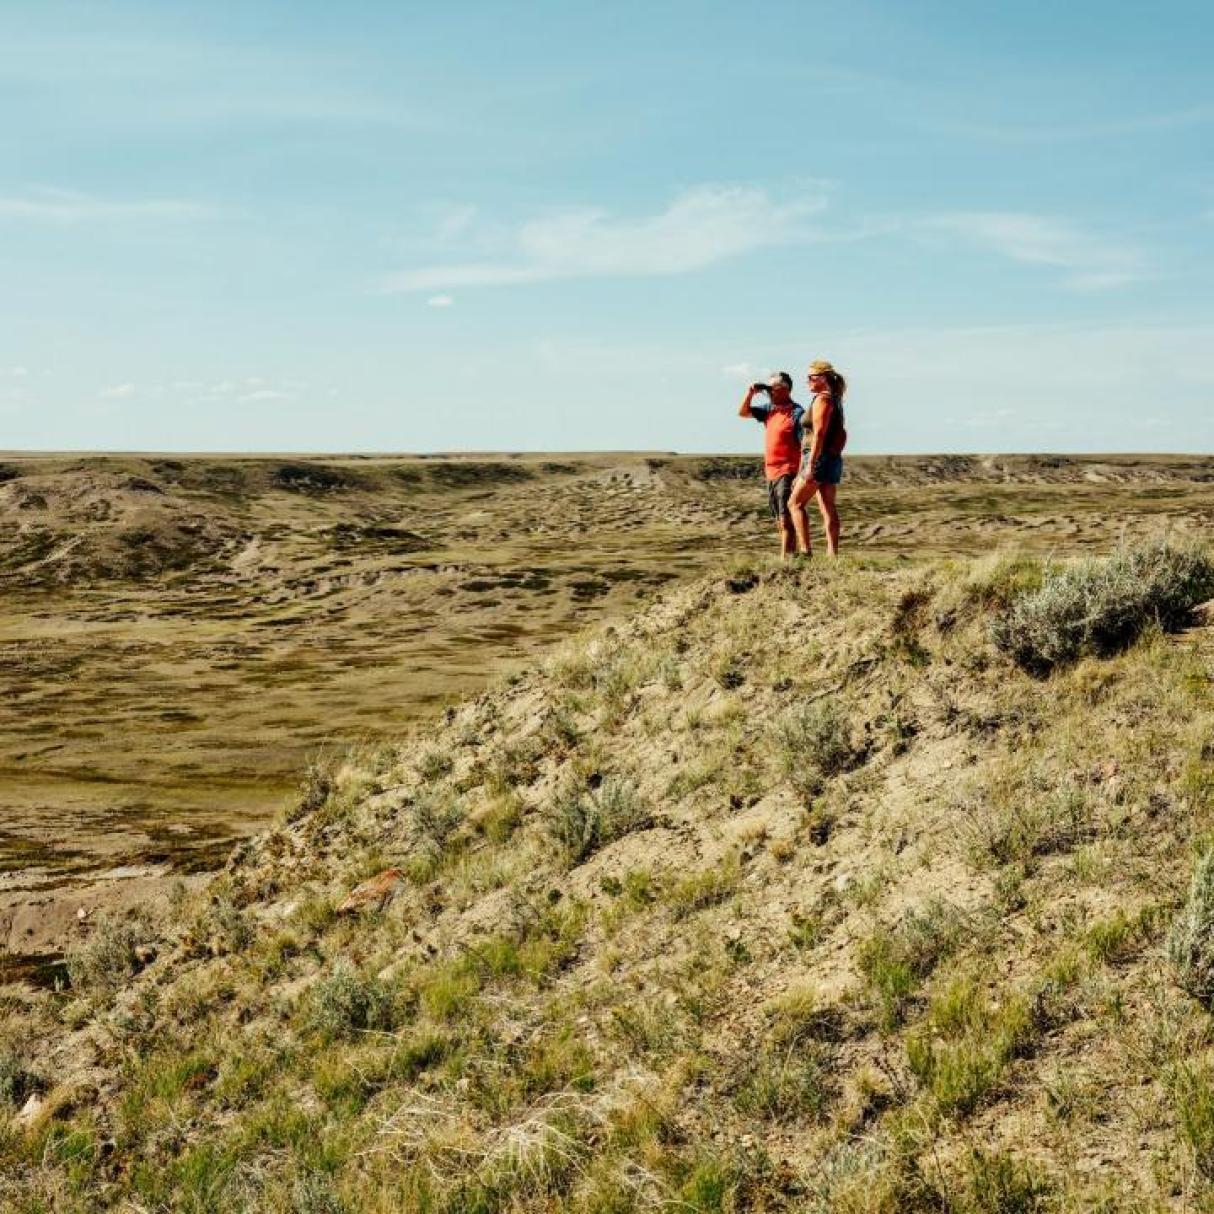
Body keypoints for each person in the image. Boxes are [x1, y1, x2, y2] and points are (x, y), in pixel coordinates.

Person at [738, 372, 809, 560]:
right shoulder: (770, 409)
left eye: (773, 388)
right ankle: (791, 557)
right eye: (767, 388)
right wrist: (751, 392)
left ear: (785, 389)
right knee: (779, 520)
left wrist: (801, 473)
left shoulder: (796, 413)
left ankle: (784, 561)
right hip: (771, 472)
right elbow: (743, 413)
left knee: (786, 519)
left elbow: (804, 446)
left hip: (788, 470)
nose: (769, 392)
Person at [789, 359, 847, 557]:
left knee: (794, 504)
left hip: (818, 458)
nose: (807, 381)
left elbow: (819, 433)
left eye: (810, 377)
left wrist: (809, 466)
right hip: (831, 458)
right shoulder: (836, 399)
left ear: (822, 378)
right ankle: (832, 555)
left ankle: (805, 551)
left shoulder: (822, 399)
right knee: (827, 506)